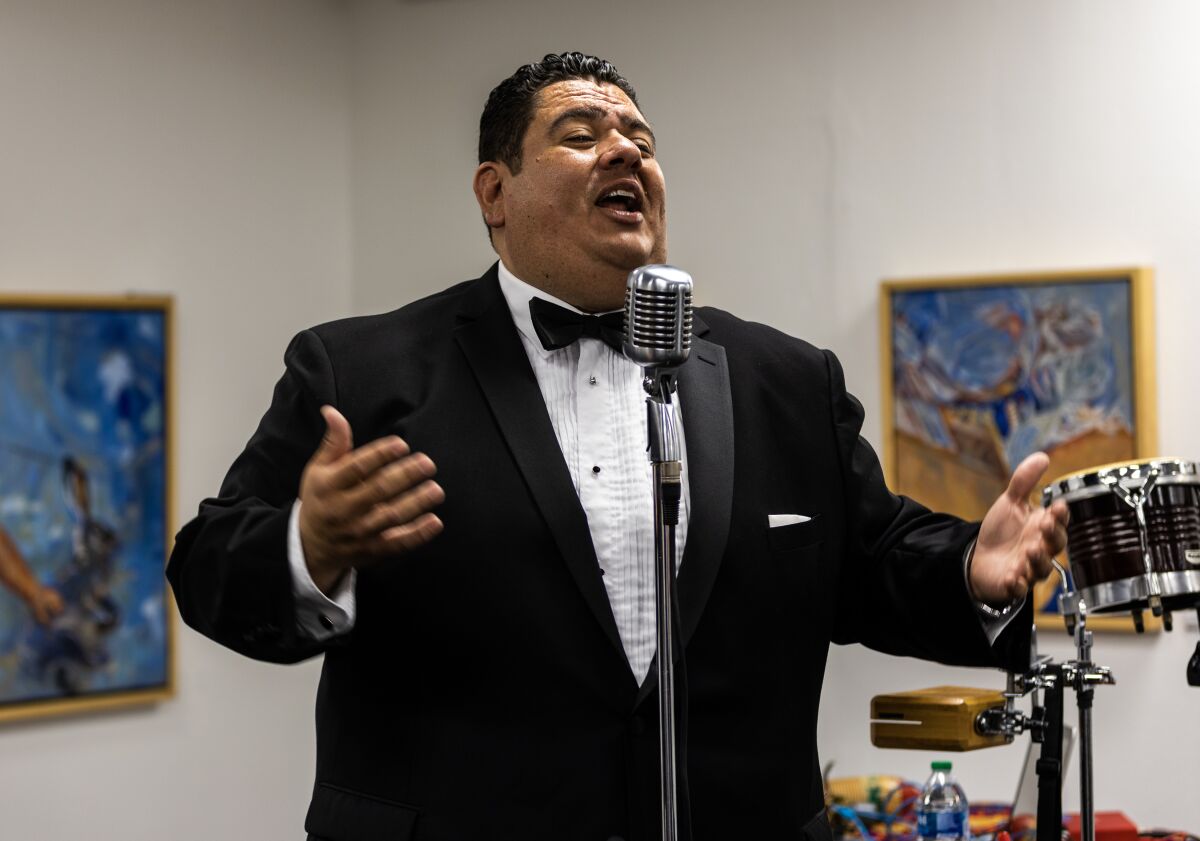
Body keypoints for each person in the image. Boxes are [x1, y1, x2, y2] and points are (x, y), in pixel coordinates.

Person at [167, 52, 1068, 841]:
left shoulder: (785, 379)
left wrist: (970, 575)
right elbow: (206, 568)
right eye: (581, 131)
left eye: (638, 134)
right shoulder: (362, 371)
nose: (626, 148)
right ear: (495, 192)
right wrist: (305, 549)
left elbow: (871, 561)